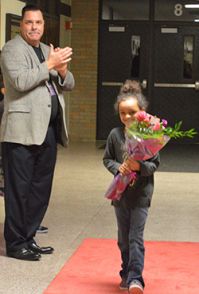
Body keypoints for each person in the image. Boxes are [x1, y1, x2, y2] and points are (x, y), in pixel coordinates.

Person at [0, 4, 75, 261]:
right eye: (29, 22)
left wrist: (62, 70)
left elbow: (69, 84)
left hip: (47, 131)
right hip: (21, 132)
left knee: (40, 189)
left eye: (39, 23)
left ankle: (28, 237)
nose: (34, 27)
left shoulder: (46, 49)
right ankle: (15, 243)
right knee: (19, 190)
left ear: (44, 25)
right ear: (21, 25)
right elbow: (20, 82)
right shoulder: (12, 50)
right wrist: (50, 64)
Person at [103, 80, 160, 293]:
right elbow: (107, 159)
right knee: (123, 239)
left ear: (142, 112)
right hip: (120, 195)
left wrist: (140, 165)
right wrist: (119, 168)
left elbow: (154, 164)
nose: (127, 117)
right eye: (122, 113)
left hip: (141, 196)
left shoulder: (150, 136)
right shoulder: (114, 135)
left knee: (136, 237)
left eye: (132, 112)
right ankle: (125, 272)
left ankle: (136, 278)